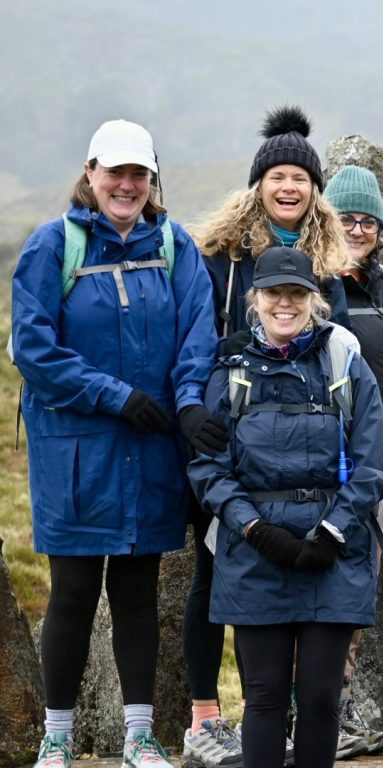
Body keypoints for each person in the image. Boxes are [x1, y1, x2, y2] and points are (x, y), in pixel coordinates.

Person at [10, 119, 219, 768]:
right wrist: (115, 395)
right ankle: (57, 737)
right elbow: (34, 349)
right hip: (75, 451)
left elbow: (198, 334)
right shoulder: (53, 247)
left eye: (139, 174)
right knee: (72, 592)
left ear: (152, 181)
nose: (126, 185)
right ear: (91, 173)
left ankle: (139, 736)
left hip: (153, 447)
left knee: (137, 594)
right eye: (115, 173)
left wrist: (186, 402)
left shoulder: (176, 246)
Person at [183, 105, 365, 765]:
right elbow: (197, 336)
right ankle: (204, 713)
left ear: (315, 188)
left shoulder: (329, 257)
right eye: (277, 175)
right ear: (258, 182)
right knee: (214, 567)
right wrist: (198, 409)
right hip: (230, 425)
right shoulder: (222, 254)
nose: (289, 186)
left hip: (309, 435)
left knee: (308, 579)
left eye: (300, 177)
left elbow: (338, 346)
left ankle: (301, 715)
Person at [187, 246, 383, 768]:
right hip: (255, 555)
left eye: (297, 293)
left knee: (322, 699)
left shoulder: (345, 364)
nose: (285, 303)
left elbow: (375, 464)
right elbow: (208, 470)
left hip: (334, 556)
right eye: (274, 293)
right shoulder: (230, 374)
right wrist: (256, 529)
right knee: (264, 699)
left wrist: (332, 532)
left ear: (315, 299)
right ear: (255, 299)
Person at [323, 165, 383, 754]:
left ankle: (340, 709)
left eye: (368, 220)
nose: (358, 229)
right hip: (327, 457)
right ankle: (316, 717)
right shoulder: (312, 277)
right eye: (346, 218)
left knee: (358, 590)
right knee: (325, 586)